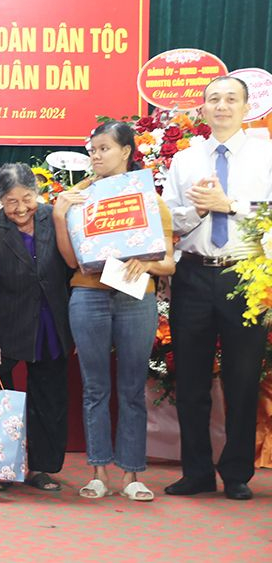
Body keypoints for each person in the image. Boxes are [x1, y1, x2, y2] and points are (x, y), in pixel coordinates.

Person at [162, 76, 272, 501]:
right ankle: (197, 472)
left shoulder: (265, 154)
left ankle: (237, 472)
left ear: (246, 107)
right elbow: (171, 216)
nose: (222, 106)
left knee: (241, 379)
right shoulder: (185, 159)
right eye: (214, 99)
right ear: (203, 109)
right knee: (190, 380)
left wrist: (231, 205)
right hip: (193, 273)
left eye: (230, 99)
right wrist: (198, 210)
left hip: (245, 275)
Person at [53, 120, 176, 501]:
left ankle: (131, 475)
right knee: (95, 388)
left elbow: (169, 263)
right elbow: (70, 260)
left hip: (134, 297)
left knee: (132, 389)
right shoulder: (78, 198)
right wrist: (59, 215)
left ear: (126, 151)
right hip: (88, 294)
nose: (96, 155)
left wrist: (147, 263)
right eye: (92, 149)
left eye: (104, 148)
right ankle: (98, 473)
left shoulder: (150, 200)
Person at [0, 163, 73, 492]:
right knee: (1, 398)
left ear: (37, 194)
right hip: (5, 326)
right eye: (11, 201)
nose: (21, 208)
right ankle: (0, 467)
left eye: (27, 198)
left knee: (49, 398)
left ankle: (41, 467)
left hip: (50, 323)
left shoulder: (53, 217)